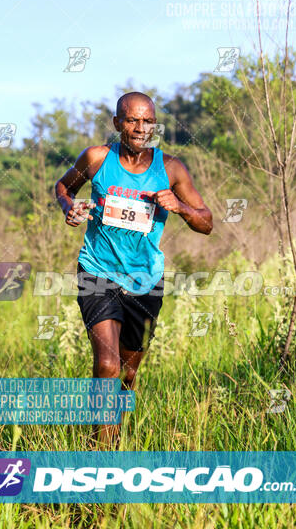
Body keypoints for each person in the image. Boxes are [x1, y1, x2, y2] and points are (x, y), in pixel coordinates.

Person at [55, 91, 212, 447]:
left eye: (148, 121)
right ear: (117, 124)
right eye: (132, 120)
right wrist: (69, 205)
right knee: (107, 366)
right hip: (97, 270)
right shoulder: (97, 158)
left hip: (146, 279)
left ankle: (116, 436)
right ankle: (101, 456)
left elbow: (207, 223)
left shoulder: (171, 168)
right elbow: (64, 186)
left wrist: (181, 208)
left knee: (127, 373)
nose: (141, 128)